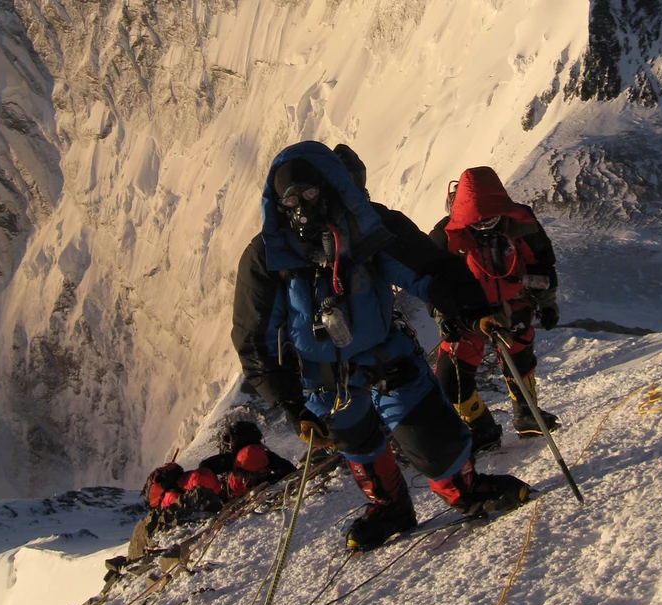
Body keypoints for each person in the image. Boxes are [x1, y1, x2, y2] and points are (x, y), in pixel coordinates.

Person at [231, 141, 532, 551]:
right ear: (276, 202)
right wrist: (292, 405)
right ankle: (390, 507)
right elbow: (256, 339)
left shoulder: (367, 228)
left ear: (332, 188)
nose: (300, 206)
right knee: (357, 443)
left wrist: (473, 310)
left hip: (383, 357)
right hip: (324, 382)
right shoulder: (268, 256)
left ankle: (466, 489)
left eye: (310, 193)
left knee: (429, 433)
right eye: (290, 198)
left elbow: (430, 272)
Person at [430, 166, 561, 452]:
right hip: (469, 316)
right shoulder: (446, 236)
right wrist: (443, 315)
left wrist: (547, 302)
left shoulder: (521, 225)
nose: (484, 224)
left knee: (521, 361)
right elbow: (431, 281)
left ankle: (526, 414)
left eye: (490, 218)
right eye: (478, 220)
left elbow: (542, 264)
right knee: (450, 378)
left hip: (513, 305)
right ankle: (481, 428)